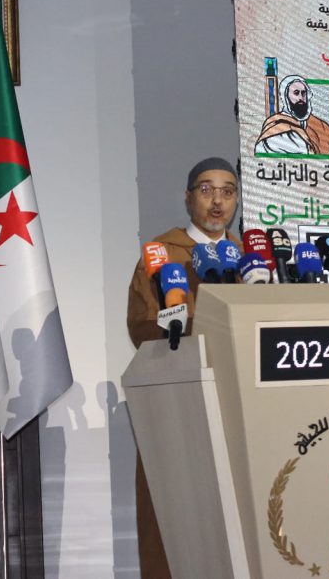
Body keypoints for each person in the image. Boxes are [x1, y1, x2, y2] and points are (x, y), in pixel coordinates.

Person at [125, 157, 241, 578]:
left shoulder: (249, 260)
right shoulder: (162, 256)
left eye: (227, 192)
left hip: (236, 408)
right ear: (188, 198)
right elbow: (141, 326)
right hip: (179, 405)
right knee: (175, 525)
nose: (217, 202)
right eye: (206, 190)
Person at [255, 75, 329, 156]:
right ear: (286, 97)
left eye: (303, 93)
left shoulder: (321, 127)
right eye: (296, 93)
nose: (301, 98)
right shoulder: (277, 126)